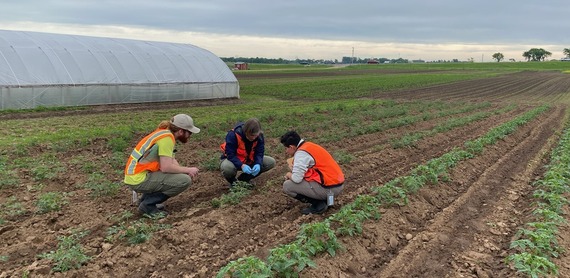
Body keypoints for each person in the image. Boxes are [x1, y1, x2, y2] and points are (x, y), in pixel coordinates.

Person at [124, 114, 200, 215]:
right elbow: (166, 167)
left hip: (135, 176)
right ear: (181, 131)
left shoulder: (164, 133)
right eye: (189, 132)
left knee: (180, 176)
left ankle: (144, 201)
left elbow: (171, 160)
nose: (190, 136)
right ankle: (148, 205)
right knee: (184, 181)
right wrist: (188, 170)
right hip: (138, 179)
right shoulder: (167, 139)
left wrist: (183, 171)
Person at [280, 130, 345, 215]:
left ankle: (318, 204)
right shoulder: (309, 146)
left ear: (291, 147)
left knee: (287, 186)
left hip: (329, 189)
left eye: (286, 148)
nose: (286, 151)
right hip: (338, 185)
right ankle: (329, 202)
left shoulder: (301, 154)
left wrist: (288, 174)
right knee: (307, 178)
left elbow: (297, 179)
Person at [220, 118, 275, 186]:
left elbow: (259, 152)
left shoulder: (259, 136)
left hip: (248, 160)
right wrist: (242, 165)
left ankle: (243, 180)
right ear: (246, 131)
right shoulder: (233, 135)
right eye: (252, 135)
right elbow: (230, 154)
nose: (254, 138)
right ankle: (233, 183)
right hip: (233, 160)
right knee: (227, 168)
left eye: (256, 135)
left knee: (270, 162)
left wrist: (258, 163)